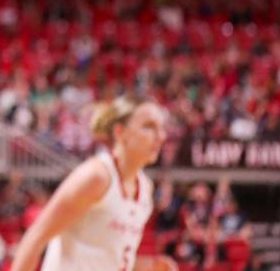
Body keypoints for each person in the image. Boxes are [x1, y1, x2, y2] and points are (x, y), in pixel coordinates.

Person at [10, 98, 178, 271]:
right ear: (120, 132)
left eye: (161, 128)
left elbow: (107, 258)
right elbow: (36, 237)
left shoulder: (145, 188)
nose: (161, 136)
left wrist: (147, 266)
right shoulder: (96, 177)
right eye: (149, 126)